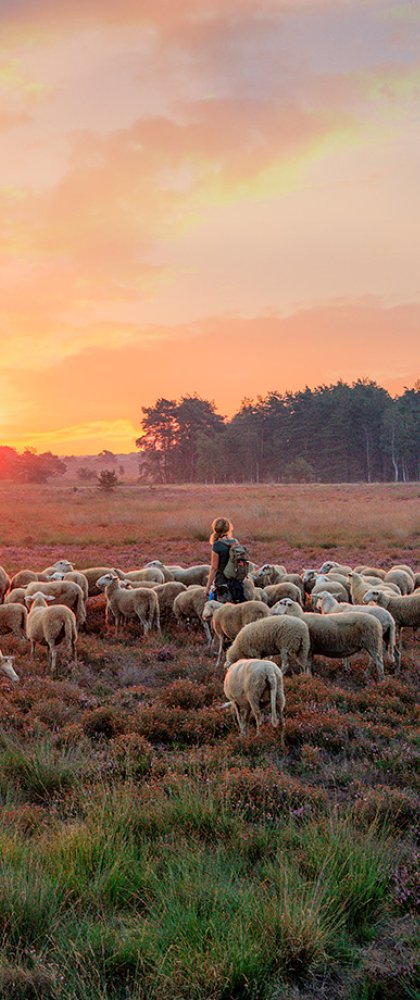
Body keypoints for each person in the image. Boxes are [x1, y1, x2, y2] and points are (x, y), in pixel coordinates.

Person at [205, 516, 246, 604]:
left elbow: (214, 568)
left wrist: (208, 588)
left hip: (222, 584)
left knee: (221, 613)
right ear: (228, 528)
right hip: (236, 584)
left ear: (215, 529)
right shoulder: (235, 542)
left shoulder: (217, 545)